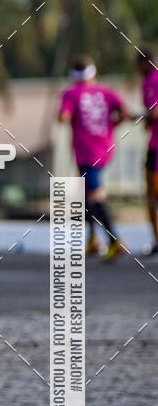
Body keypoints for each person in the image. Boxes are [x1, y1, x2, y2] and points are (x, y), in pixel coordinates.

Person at [58, 55, 127, 261]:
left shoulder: (71, 93)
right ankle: (92, 239)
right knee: (87, 192)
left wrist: (64, 115)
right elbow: (124, 112)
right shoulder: (106, 92)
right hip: (106, 148)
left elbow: (64, 118)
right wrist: (112, 126)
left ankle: (115, 240)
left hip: (87, 152)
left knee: (96, 195)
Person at [135, 47, 158, 255]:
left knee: (152, 195)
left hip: (156, 148)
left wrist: (136, 117)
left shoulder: (152, 79)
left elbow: (154, 114)